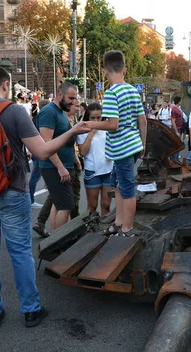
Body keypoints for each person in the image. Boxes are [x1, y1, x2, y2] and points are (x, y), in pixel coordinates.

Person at [0, 66, 90, 328]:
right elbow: (42, 151)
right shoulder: (13, 111)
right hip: (12, 191)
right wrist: (71, 132)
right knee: (20, 251)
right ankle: (30, 309)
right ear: (5, 85)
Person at [84, 50, 146, 237]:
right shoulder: (133, 90)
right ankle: (119, 223)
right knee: (118, 185)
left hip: (121, 149)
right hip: (133, 146)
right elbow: (142, 120)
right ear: (124, 69)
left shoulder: (112, 93)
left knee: (126, 189)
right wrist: (143, 144)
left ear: (105, 71)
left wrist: (89, 124)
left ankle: (127, 228)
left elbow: (113, 124)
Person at [37, 81, 79, 230]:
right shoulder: (49, 112)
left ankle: (55, 240)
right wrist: (60, 167)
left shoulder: (60, 112)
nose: (74, 102)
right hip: (54, 168)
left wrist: (75, 161)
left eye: (75, 98)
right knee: (67, 205)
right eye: (71, 98)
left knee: (59, 204)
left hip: (63, 166)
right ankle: (59, 242)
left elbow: (66, 140)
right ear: (60, 94)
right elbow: (47, 143)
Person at [77, 102, 113, 216]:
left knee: (106, 204)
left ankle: (104, 231)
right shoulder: (82, 129)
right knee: (92, 206)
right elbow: (82, 152)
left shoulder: (107, 127)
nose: (96, 121)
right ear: (88, 117)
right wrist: (91, 133)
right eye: (93, 118)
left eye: (99, 117)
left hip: (108, 169)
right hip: (92, 171)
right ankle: (91, 230)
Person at [29, 99, 50, 210]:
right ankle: (30, 199)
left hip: (37, 149)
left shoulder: (36, 118)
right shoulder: (42, 118)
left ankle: (47, 185)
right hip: (39, 149)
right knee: (36, 175)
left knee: (40, 173)